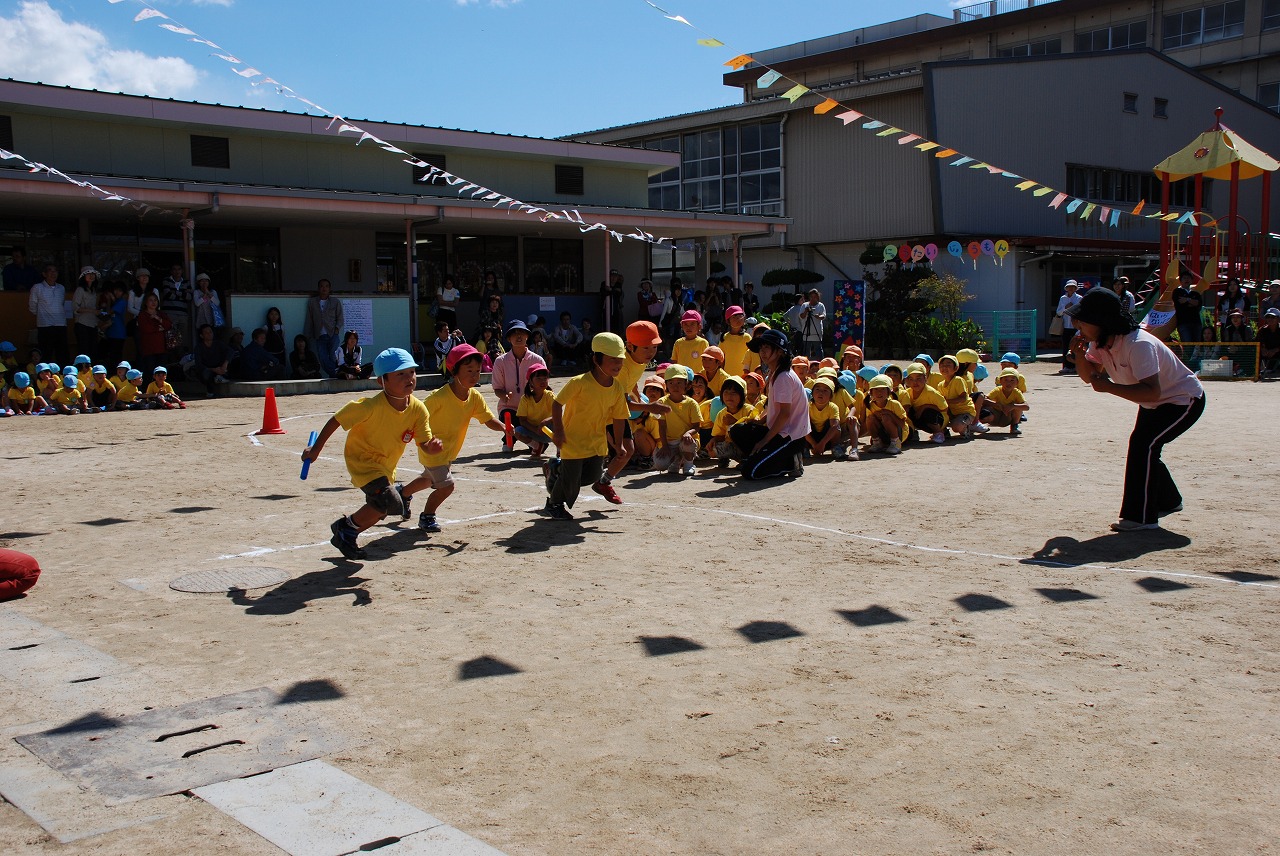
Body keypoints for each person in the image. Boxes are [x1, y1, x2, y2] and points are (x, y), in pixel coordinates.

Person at [1068, 287, 1205, 531]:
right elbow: (1090, 378)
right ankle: (1170, 501)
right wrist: (1079, 356)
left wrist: (1109, 388)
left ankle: (1140, 518)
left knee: (1144, 445)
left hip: (1183, 399)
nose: (1077, 323)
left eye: (1083, 319)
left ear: (1102, 321)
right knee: (1146, 445)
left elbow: (1152, 390)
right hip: (1155, 401)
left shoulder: (1138, 344)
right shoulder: (1100, 342)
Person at [301, 348, 443, 560]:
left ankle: (347, 531)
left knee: (381, 508)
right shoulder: (369, 406)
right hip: (362, 462)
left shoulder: (418, 409)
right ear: (381, 382)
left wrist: (430, 447)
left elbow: (423, 441)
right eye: (400, 374)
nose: (409, 378)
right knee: (390, 503)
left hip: (385, 467)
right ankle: (345, 528)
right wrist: (317, 449)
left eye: (411, 372)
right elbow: (336, 420)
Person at [402, 344, 505, 533]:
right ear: (454, 371)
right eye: (469, 370)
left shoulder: (474, 397)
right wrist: (420, 438)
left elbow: (488, 419)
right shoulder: (438, 397)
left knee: (428, 480)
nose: (474, 375)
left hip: (449, 451)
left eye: (477, 370)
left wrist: (506, 429)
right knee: (446, 486)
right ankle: (427, 516)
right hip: (431, 449)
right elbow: (416, 417)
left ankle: (403, 493)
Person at [543, 332, 631, 520]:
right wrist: (558, 432)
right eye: (612, 359)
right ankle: (553, 504)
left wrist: (619, 444)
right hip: (573, 440)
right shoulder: (579, 382)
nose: (618, 364)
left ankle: (557, 470)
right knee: (571, 480)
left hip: (597, 442)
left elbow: (619, 417)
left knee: (593, 476)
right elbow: (557, 404)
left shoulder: (616, 388)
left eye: (620, 360)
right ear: (596, 359)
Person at [730, 328, 809, 480]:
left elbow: (785, 414)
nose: (762, 351)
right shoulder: (774, 373)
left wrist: (764, 440)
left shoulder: (783, 377)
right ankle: (768, 457)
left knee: (750, 472)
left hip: (790, 437)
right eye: (761, 348)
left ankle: (790, 462)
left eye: (767, 347)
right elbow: (773, 407)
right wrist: (760, 420)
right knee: (738, 431)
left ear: (780, 351)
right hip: (777, 430)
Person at [490, 319, 547, 449]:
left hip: (532, 410)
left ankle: (532, 442)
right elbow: (497, 388)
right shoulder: (500, 361)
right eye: (514, 334)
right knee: (510, 419)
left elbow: (545, 386)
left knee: (541, 438)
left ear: (527, 336)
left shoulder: (537, 360)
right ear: (509, 339)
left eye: (522, 333)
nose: (519, 336)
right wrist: (505, 396)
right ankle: (509, 438)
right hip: (509, 407)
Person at [652, 364, 701, 476]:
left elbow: (697, 426)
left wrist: (688, 433)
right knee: (660, 464)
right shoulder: (662, 402)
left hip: (687, 440)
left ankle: (689, 464)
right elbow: (662, 426)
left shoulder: (692, 403)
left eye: (679, 382)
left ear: (686, 385)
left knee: (687, 442)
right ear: (666, 385)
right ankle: (676, 461)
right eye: (671, 383)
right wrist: (664, 446)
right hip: (670, 442)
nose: (675, 386)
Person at [304, 278, 344, 378]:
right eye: (322, 286)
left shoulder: (335, 302)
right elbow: (309, 319)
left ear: (329, 288)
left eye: (326, 286)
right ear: (318, 288)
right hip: (319, 335)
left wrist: (337, 329)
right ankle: (337, 374)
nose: (324, 288)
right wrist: (307, 335)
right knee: (322, 358)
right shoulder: (312, 302)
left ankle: (336, 374)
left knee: (333, 356)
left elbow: (340, 317)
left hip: (332, 334)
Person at [898, 363, 948, 444]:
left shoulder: (931, 392)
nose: (915, 382)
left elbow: (945, 408)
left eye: (918, 378)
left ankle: (939, 433)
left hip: (939, 419)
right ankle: (913, 432)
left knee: (927, 412)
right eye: (911, 379)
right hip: (921, 419)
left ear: (925, 378)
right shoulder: (907, 393)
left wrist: (924, 407)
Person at [28, 264, 67, 366]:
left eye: (55, 271)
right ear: (44, 274)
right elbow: (32, 305)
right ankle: (44, 377)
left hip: (61, 324)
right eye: (50, 271)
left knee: (62, 352)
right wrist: (42, 315)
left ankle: (63, 376)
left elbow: (61, 303)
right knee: (46, 353)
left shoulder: (61, 288)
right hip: (45, 325)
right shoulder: (37, 287)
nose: (53, 273)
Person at [514, 364, 554, 458]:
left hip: (550, 431)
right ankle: (536, 446)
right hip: (534, 431)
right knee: (518, 431)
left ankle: (560, 450)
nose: (543, 381)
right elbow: (522, 420)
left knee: (561, 424)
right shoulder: (525, 399)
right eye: (538, 378)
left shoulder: (550, 396)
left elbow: (558, 415)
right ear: (530, 382)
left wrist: (545, 422)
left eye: (545, 378)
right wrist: (535, 429)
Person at [862, 374, 908, 455]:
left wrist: (890, 414)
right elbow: (870, 424)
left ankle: (896, 443)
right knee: (870, 418)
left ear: (889, 392)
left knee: (886, 417)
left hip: (900, 434)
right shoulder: (870, 405)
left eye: (883, 389)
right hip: (884, 433)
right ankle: (877, 443)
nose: (879, 393)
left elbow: (902, 424)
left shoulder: (894, 404)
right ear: (871, 393)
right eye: (876, 390)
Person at [935, 354, 977, 439]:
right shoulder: (940, 385)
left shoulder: (958, 380)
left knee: (956, 427)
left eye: (948, 365)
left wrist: (946, 401)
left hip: (966, 412)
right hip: (953, 412)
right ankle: (944, 431)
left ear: (955, 368)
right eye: (942, 365)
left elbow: (963, 398)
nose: (944, 367)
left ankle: (966, 428)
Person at [134, 291, 172, 379]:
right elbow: (146, 328)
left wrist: (158, 319)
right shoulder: (142, 315)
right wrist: (158, 328)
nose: (153, 302)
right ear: (146, 302)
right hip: (148, 349)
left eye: (155, 300)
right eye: (151, 300)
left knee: (161, 372)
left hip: (161, 348)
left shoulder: (161, 314)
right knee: (150, 372)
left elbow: (169, 325)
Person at [806, 377, 843, 460]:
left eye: (825, 391)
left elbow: (834, 426)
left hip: (827, 438)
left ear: (831, 396)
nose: (820, 393)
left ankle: (835, 447)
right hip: (811, 437)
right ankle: (805, 448)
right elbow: (803, 427)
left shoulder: (833, 407)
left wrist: (822, 444)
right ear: (812, 393)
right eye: (817, 389)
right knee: (802, 426)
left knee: (836, 427)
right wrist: (814, 445)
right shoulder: (807, 407)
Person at [985, 367, 1030, 434]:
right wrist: (996, 404)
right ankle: (975, 425)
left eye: (1012, 380)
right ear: (1000, 381)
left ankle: (1014, 426)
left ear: (1017, 382)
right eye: (1006, 380)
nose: (1008, 383)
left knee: (1018, 406)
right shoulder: (997, 390)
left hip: (1007, 418)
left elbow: (1026, 407)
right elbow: (985, 400)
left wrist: (1012, 406)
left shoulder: (1016, 392)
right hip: (995, 417)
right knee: (985, 408)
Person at [71, 266, 102, 362]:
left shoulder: (93, 291)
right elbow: (76, 308)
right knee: (84, 351)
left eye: (93, 274)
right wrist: (92, 311)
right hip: (82, 324)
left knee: (94, 350)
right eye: (88, 274)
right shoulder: (80, 290)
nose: (91, 276)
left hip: (92, 324)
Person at [1055, 280, 1082, 372]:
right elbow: (1058, 312)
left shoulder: (1079, 298)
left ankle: (1076, 367)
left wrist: (1072, 307)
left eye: (1072, 287)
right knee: (1066, 346)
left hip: (1076, 327)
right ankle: (1066, 366)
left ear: (1075, 288)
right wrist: (1065, 308)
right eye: (1068, 287)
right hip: (1066, 326)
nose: (1070, 289)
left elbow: (1080, 311)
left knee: (1076, 347)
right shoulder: (1063, 298)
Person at [101, 282, 129, 368]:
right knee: (108, 355)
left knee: (116, 357)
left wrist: (111, 299)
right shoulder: (114, 302)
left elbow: (110, 312)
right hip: (110, 333)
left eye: (120, 291)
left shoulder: (122, 302)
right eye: (115, 290)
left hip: (119, 333)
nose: (117, 292)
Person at [1171, 273, 1204, 345]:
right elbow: (1179, 303)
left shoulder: (1196, 293)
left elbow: (1197, 304)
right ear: (1180, 281)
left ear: (1192, 280)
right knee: (1187, 345)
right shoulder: (1177, 291)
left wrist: (1187, 300)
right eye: (1184, 278)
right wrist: (1192, 302)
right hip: (1183, 323)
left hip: (1196, 322)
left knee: (1198, 345)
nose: (1186, 280)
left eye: (1188, 278)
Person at [719, 306, 751, 377]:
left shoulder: (747, 338)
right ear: (728, 321)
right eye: (734, 317)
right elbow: (721, 359)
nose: (738, 319)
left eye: (740, 316)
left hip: (744, 376)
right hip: (727, 375)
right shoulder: (725, 338)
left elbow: (750, 358)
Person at [798, 289, 826, 359]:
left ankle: (820, 363)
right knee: (806, 350)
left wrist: (818, 317)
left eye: (815, 297)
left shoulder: (820, 305)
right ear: (809, 297)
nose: (813, 299)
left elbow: (823, 316)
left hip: (817, 331)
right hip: (807, 331)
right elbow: (801, 316)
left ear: (817, 297)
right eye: (811, 297)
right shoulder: (805, 305)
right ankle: (806, 365)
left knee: (818, 349)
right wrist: (806, 311)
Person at [1258, 308, 1280, 377]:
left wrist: (1275, 350)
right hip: (1266, 352)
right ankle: (1256, 372)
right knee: (1255, 351)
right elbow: (1258, 341)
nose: (1270, 319)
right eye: (1268, 317)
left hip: (1278, 352)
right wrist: (1262, 349)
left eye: (1273, 317)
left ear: (1278, 319)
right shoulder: (1262, 330)